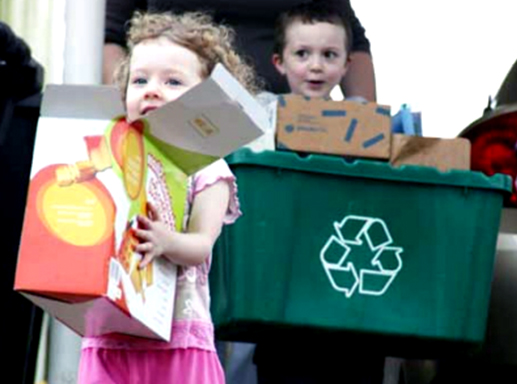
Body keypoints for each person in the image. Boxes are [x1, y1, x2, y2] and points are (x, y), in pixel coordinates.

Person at [78, 11, 259, 384]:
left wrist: (166, 241)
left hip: (176, 344)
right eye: (139, 79)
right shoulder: (111, 157)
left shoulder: (207, 168)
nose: (151, 89)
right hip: (111, 336)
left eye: (173, 81)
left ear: (209, 100)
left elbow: (201, 245)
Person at [252, 3, 385, 383]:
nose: (315, 66)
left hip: (344, 273)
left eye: (329, 56)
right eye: (302, 54)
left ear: (346, 66)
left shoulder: (359, 122)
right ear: (279, 62)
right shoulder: (264, 116)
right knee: (281, 355)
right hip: (283, 271)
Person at [103, 0, 376, 101]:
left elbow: (352, 38)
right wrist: (129, 107)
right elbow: (108, 34)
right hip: (172, 116)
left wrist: (365, 129)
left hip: (282, 137)